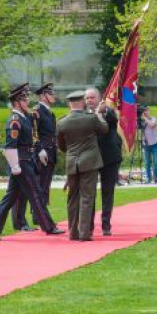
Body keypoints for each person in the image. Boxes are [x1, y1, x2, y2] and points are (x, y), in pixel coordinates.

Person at [0, 84, 65, 238]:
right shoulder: (15, 120)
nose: (27, 102)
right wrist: (15, 166)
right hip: (21, 163)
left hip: (25, 160)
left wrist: (39, 149)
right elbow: (10, 146)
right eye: (24, 100)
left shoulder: (24, 118)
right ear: (17, 103)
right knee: (35, 193)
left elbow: (32, 137)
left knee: (10, 196)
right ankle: (48, 226)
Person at [57, 90, 109, 241]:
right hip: (89, 163)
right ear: (82, 102)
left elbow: (61, 145)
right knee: (87, 197)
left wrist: (72, 153)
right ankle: (85, 233)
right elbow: (104, 129)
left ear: (70, 104)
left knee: (72, 198)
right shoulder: (91, 118)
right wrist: (100, 115)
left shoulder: (62, 122)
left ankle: (73, 232)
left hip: (72, 162)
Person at [12, 83, 59, 230]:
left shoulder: (49, 112)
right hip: (41, 154)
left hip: (50, 153)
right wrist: (40, 150)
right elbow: (34, 133)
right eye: (50, 94)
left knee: (44, 187)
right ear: (43, 96)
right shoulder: (37, 112)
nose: (53, 96)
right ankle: (33, 218)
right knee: (33, 188)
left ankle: (39, 217)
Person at [87, 88, 122, 236]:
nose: (89, 100)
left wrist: (104, 110)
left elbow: (113, 120)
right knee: (89, 193)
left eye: (92, 97)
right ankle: (88, 226)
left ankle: (106, 225)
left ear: (99, 98)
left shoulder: (108, 112)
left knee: (107, 192)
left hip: (109, 158)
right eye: (87, 98)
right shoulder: (83, 114)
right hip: (91, 159)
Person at [141, 106, 157, 184]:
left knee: (156, 162)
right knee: (147, 163)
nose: (145, 112)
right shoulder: (141, 121)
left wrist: (145, 118)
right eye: (144, 111)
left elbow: (152, 125)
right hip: (146, 145)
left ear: (149, 111)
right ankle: (148, 178)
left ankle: (156, 179)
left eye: (146, 110)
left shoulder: (153, 119)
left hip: (155, 144)